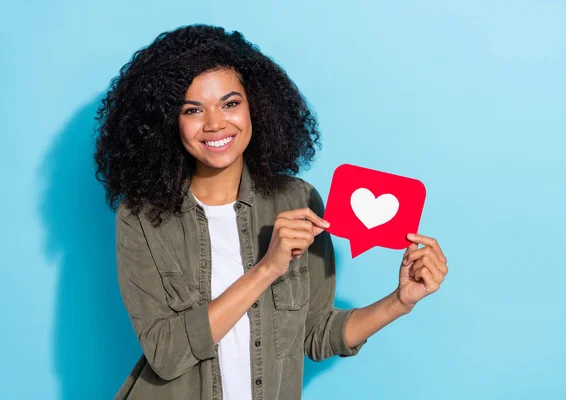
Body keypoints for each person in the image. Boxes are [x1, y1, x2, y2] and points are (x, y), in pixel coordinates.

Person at [93, 24, 449, 400]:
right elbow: (166, 353)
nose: (215, 123)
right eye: (193, 109)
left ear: (256, 106)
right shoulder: (141, 218)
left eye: (230, 103)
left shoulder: (298, 200)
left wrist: (400, 301)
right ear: (168, 121)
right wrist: (267, 268)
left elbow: (315, 334)